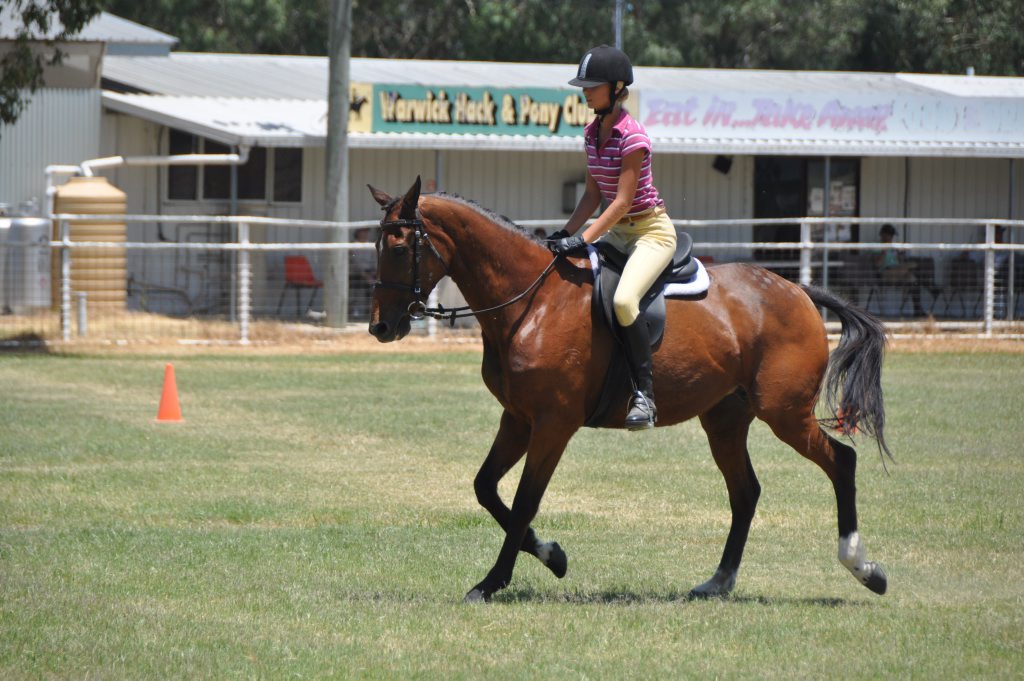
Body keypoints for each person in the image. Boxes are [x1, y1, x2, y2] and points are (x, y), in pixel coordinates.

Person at [547, 45, 677, 431]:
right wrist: (565, 234)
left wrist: (583, 238)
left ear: (616, 87)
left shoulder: (632, 136)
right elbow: (591, 196)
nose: (585, 92)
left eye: (592, 86)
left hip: (650, 233)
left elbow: (620, 202)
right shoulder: (591, 132)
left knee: (623, 299)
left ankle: (644, 395)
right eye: (583, 86)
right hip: (617, 234)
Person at [874, 223, 924, 316]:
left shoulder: (894, 248)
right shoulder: (877, 247)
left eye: (892, 235)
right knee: (913, 266)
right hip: (886, 274)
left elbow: (899, 262)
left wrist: (900, 256)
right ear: (883, 235)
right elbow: (877, 265)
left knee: (912, 278)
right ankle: (926, 280)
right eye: (889, 235)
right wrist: (884, 252)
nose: (891, 238)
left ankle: (918, 309)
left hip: (899, 273)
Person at [349, 227, 377, 320]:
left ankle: (370, 311)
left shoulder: (370, 244)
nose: (365, 234)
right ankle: (354, 310)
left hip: (370, 273)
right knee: (359, 287)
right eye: (363, 232)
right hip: (356, 274)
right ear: (358, 233)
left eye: (366, 232)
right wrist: (365, 275)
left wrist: (373, 273)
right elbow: (356, 263)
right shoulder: (353, 246)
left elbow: (374, 260)